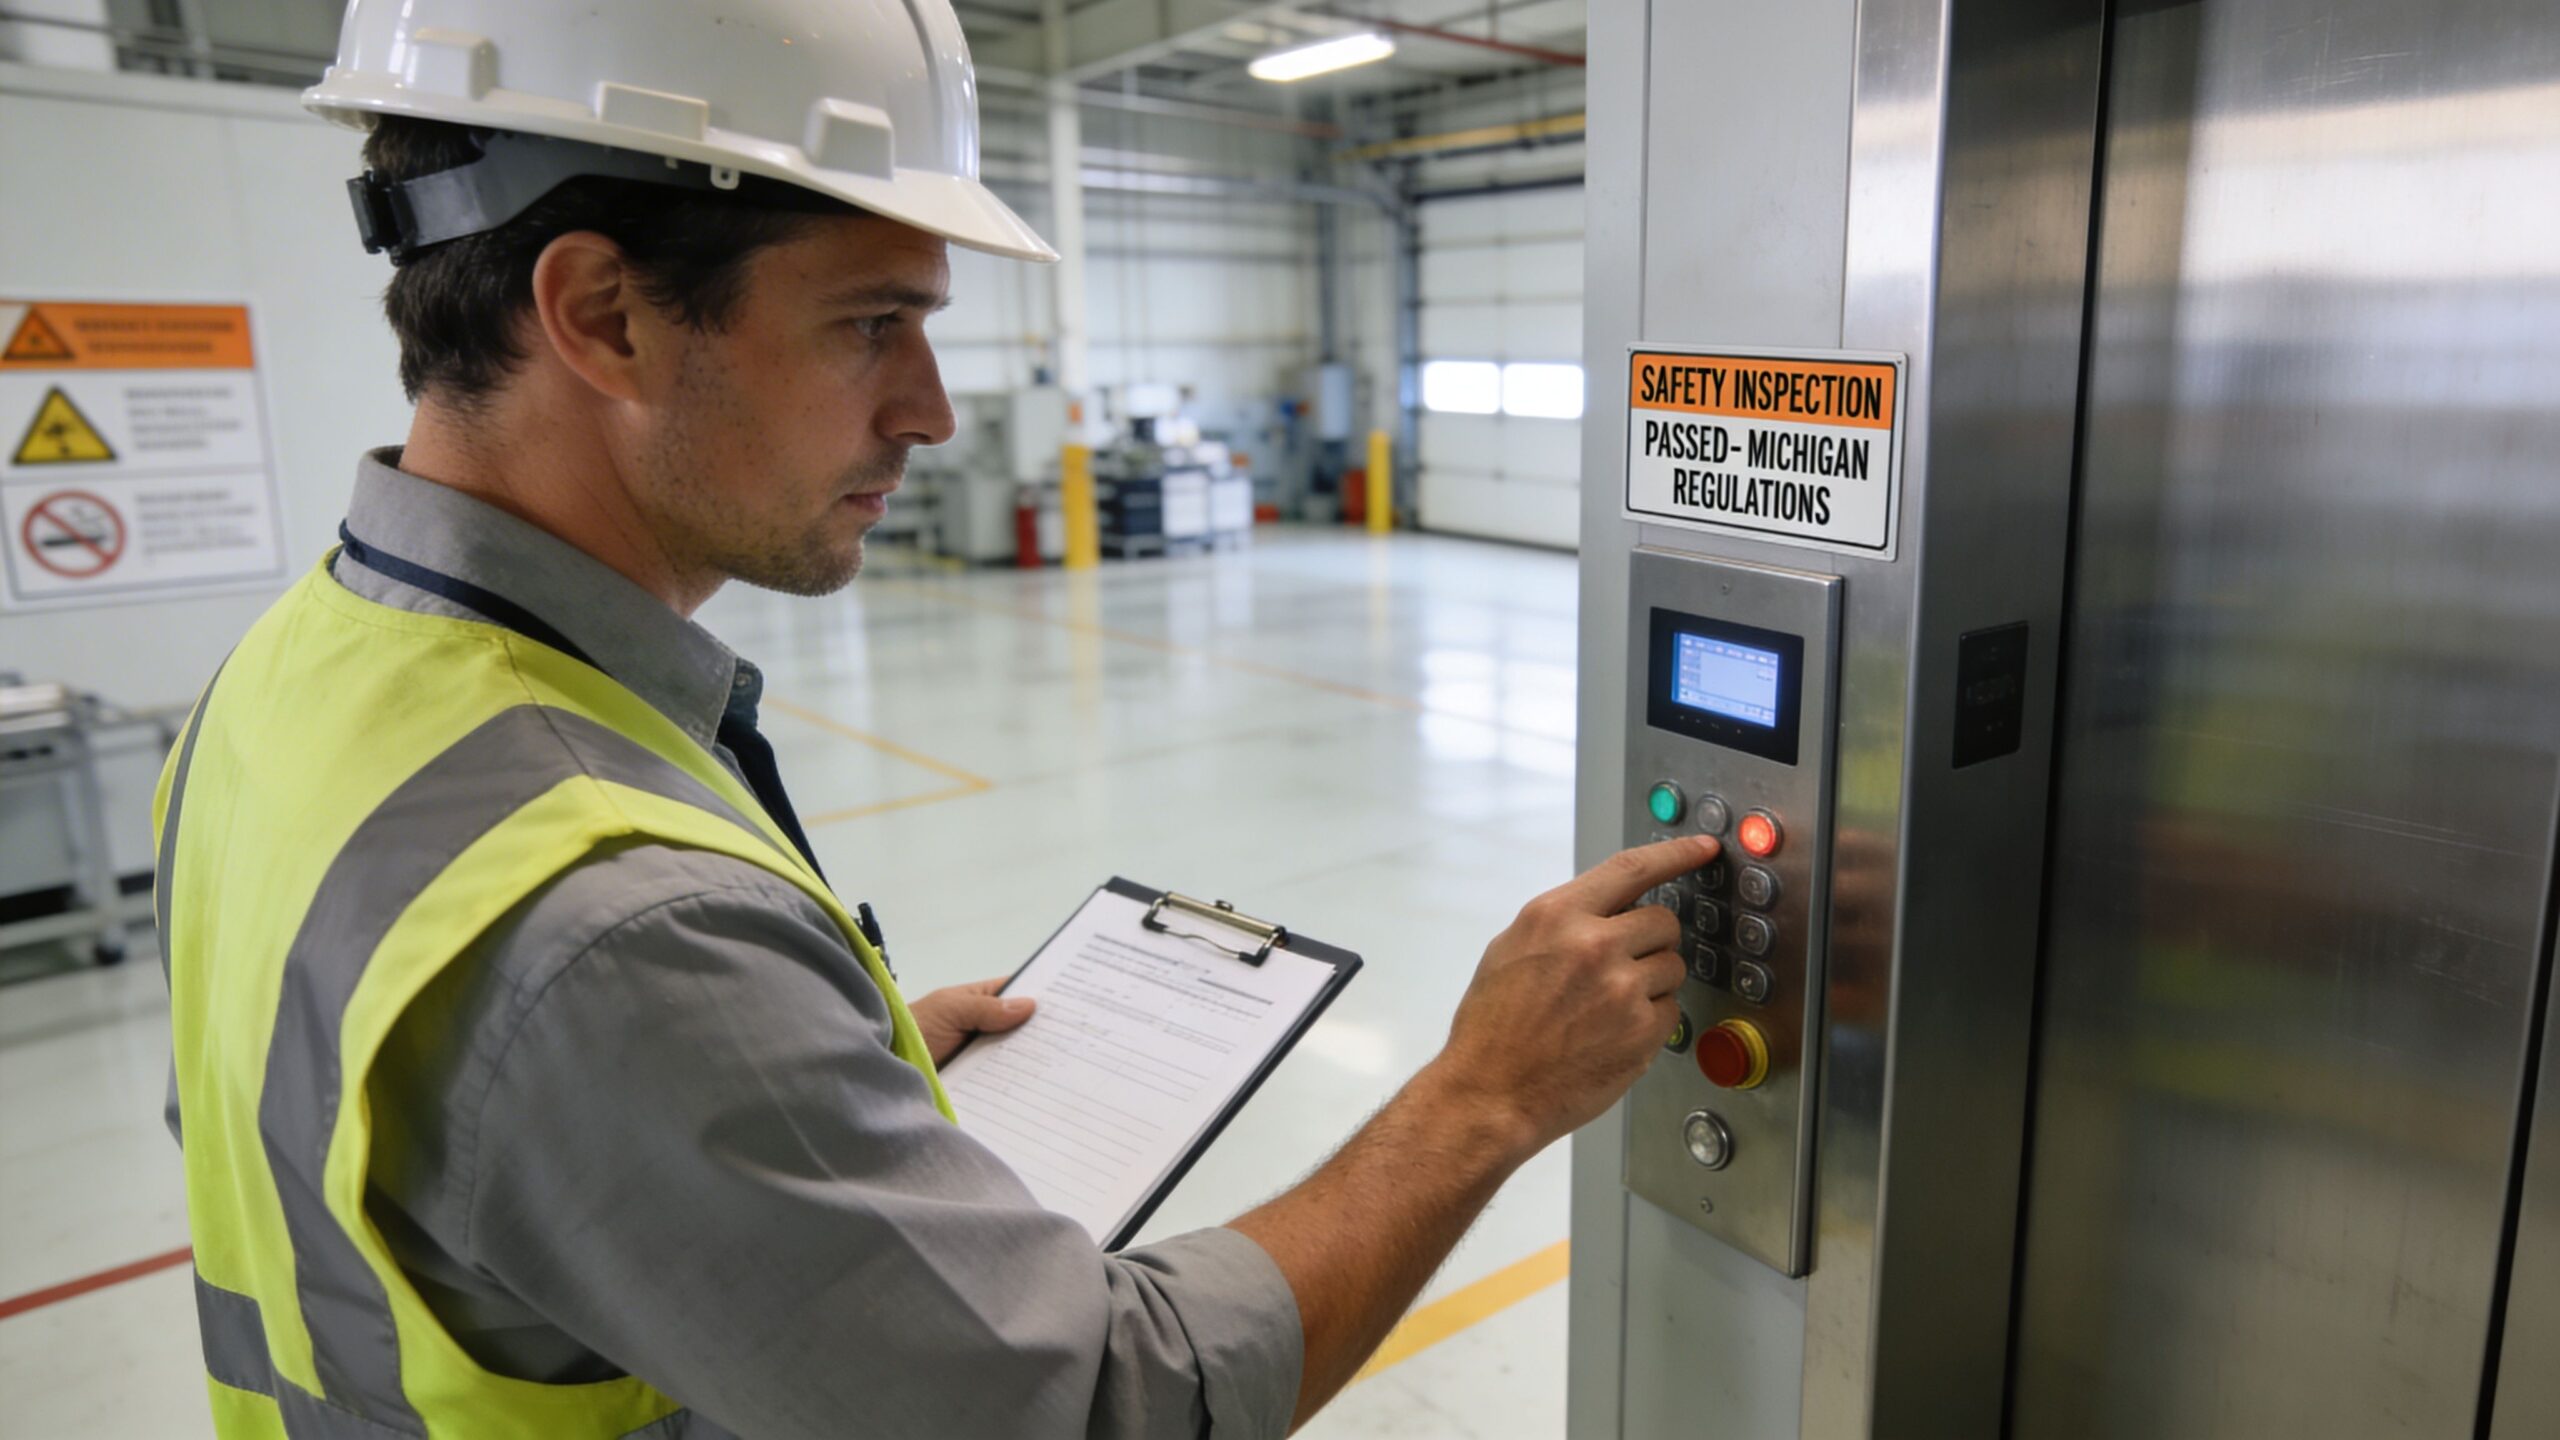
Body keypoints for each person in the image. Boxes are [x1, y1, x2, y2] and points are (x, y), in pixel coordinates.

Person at [152, 3, 1714, 1436]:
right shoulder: (616, 927)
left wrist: (786, 1090)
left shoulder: (289, 683)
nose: (933, 408)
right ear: (604, 316)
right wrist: (1486, 1094)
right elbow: (1095, 1405)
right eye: (867, 323)